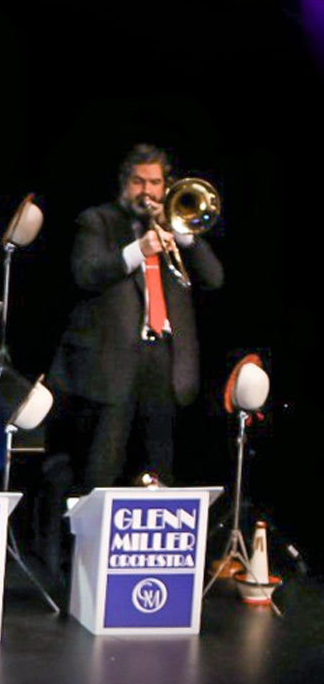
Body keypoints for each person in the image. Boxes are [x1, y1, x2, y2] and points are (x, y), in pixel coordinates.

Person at [49, 145, 225, 487]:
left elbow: (214, 278)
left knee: (159, 465)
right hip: (113, 363)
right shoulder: (97, 221)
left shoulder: (175, 227)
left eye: (155, 183)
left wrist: (184, 235)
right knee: (102, 466)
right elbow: (86, 273)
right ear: (124, 183)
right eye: (138, 182)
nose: (147, 192)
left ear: (166, 186)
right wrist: (138, 250)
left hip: (164, 360)